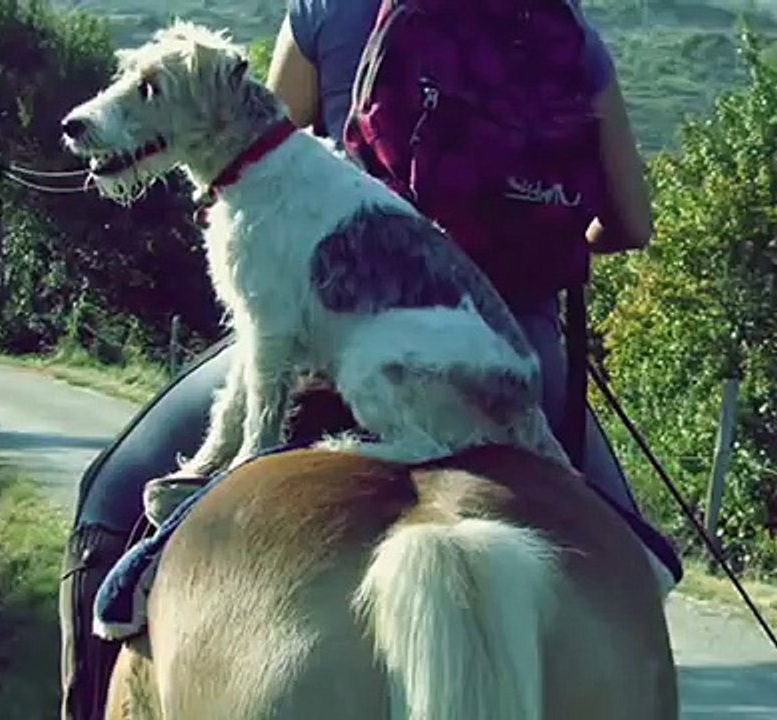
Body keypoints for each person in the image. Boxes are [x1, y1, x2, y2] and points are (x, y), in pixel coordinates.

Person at [58, 2, 673, 717]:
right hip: (515, 341)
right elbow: (632, 222)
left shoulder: (326, 8)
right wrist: (555, 237)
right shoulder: (560, 25)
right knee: (638, 570)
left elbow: (250, 144)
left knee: (109, 501)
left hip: (330, 318)